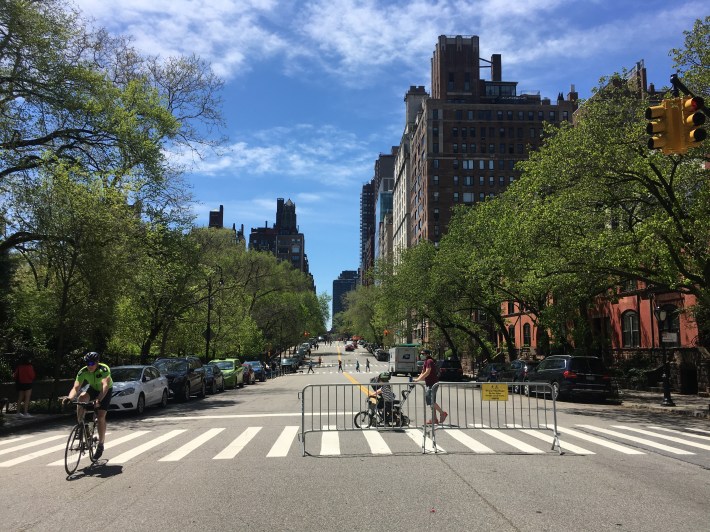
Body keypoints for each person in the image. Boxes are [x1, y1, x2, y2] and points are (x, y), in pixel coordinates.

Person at [64, 352, 113, 460]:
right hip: (93, 389)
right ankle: (81, 425)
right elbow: (76, 388)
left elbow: (105, 385)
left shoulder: (103, 369)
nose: (89, 365)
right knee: (81, 398)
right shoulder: (83, 371)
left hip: (105, 391)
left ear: (97, 362)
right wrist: (69, 398)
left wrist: (98, 400)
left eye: (91, 363)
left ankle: (100, 444)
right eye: (87, 363)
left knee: (100, 416)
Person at [413, 352, 447, 424]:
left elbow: (427, 372)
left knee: (431, 401)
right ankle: (434, 419)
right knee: (431, 402)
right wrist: (416, 379)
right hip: (429, 384)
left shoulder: (429, 361)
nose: (421, 355)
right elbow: (423, 372)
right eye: (421, 353)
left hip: (432, 384)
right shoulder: (425, 362)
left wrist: (418, 380)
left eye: (423, 353)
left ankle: (442, 413)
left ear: (427, 354)